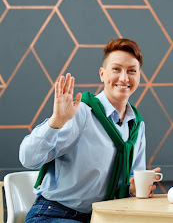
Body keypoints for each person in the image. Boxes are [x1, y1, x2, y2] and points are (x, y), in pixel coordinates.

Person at [20, 38, 159, 222]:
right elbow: (28, 158)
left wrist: (134, 188)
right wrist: (55, 122)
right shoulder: (82, 113)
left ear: (139, 76)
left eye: (132, 71)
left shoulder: (136, 126)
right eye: (116, 69)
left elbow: (133, 176)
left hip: (101, 217)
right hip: (54, 213)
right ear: (102, 74)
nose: (124, 78)